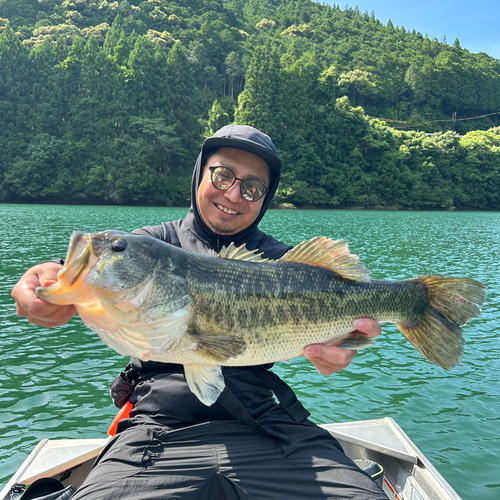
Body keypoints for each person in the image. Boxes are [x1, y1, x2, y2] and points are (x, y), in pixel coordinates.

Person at [12, 125, 388, 499]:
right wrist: (43, 278)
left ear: (264, 198)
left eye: (253, 188)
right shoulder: (154, 243)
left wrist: (343, 345)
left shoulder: (280, 264)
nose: (234, 194)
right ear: (199, 173)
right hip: (155, 430)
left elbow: (341, 316)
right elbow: (80, 270)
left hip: (266, 427)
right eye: (223, 175)